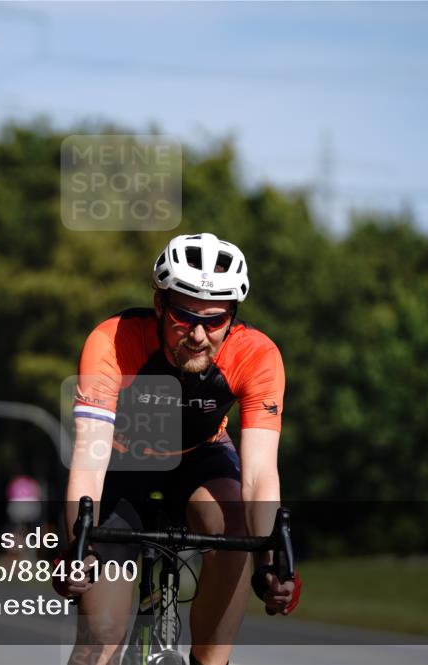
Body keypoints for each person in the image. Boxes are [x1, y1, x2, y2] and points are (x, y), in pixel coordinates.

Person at [57, 233, 302, 665]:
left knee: (234, 526)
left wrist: (270, 564)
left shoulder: (257, 355)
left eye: (215, 321)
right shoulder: (112, 341)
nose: (199, 335)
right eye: (184, 317)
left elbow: (261, 473)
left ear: (233, 317)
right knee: (101, 641)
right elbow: (90, 457)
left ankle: (209, 660)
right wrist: (80, 547)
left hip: (200, 457)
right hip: (121, 464)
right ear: (159, 306)